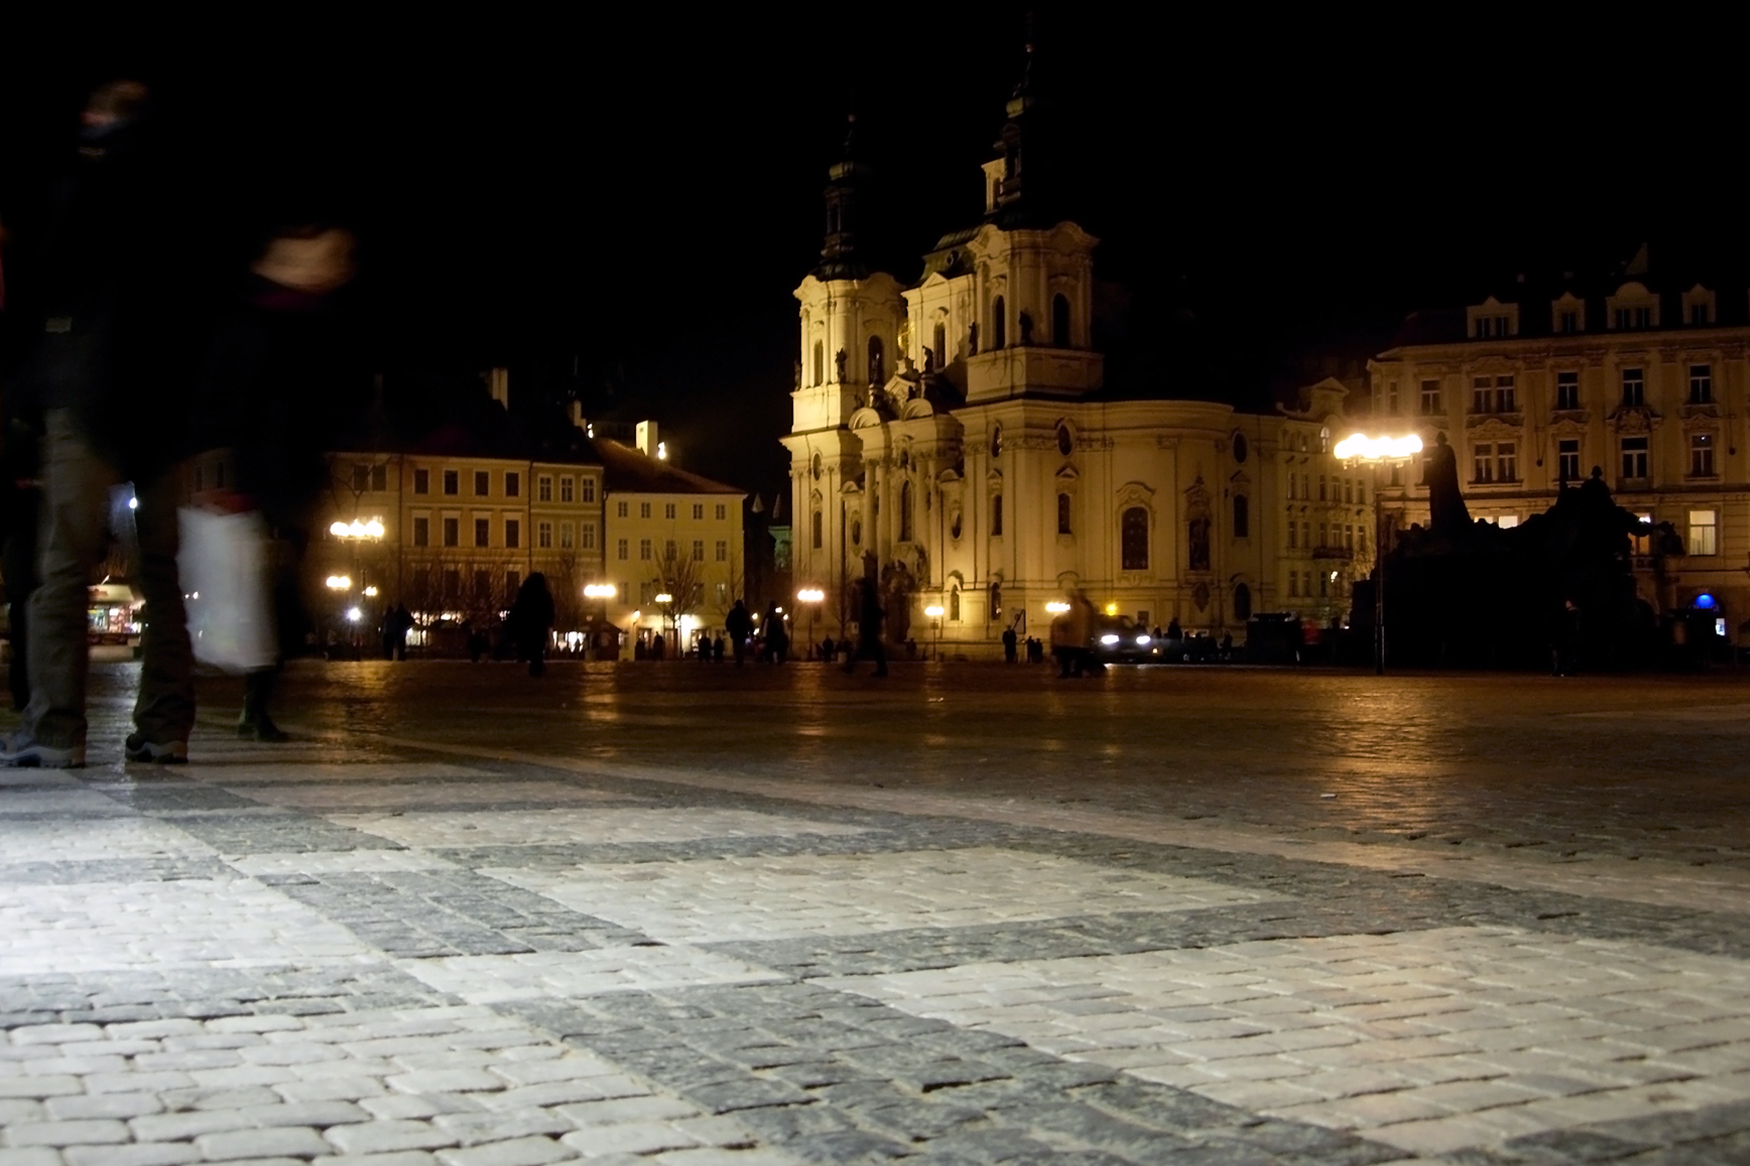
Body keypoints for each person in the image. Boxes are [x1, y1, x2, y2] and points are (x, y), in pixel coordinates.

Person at [3, 81, 204, 767]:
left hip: (86, 393)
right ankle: (166, 726)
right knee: (163, 570)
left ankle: (57, 728)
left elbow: (46, 285)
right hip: (163, 409)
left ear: (99, 121)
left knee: (63, 565)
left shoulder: (83, 186)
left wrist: (30, 393)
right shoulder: (183, 198)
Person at [188, 220, 362, 741]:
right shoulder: (258, 322)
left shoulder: (312, 322)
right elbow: (230, 404)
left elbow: (335, 402)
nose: (337, 269)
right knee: (269, 594)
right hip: (264, 477)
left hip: (293, 478)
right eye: (328, 258)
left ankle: (255, 700)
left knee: (280, 596)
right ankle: (250, 701)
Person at [507, 572, 554, 676]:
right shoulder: (545, 593)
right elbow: (550, 609)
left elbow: (518, 608)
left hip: (527, 626)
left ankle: (532, 664)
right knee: (538, 648)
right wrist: (549, 621)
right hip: (540, 626)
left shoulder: (524, 592)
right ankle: (536, 666)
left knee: (530, 645)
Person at [841, 579, 887, 676]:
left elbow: (869, 613)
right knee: (875, 650)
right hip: (871, 628)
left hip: (869, 628)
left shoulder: (866, 598)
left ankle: (850, 666)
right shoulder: (870, 597)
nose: (856, 588)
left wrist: (863, 625)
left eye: (857, 586)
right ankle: (882, 669)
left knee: (863, 650)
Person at [725, 599, 753, 665]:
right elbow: (749, 622)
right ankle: (740, 658)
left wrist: (729, 628)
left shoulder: (733, 612)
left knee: (737, 645)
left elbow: (728, 621)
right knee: (741, 645)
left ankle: (738, 658)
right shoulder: (745, 612)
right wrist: (751, 630)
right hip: (742, 631)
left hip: (736, 632)